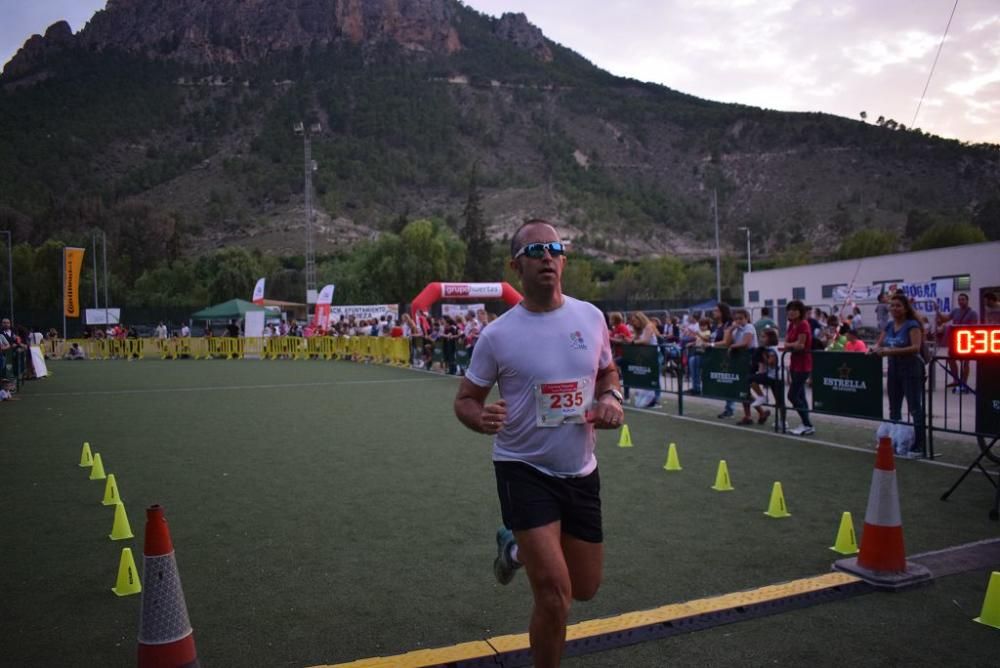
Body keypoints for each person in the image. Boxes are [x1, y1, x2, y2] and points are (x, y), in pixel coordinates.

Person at [454, 219, 623, 668]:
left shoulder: (591, 317)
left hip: (580, 470)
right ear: (516, 266)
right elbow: (466, 400)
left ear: (564, 259)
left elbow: (608, 372)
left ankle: (514, 548)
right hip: (523, 469)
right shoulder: (498, 335)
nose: (546, 256)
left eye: (554, 248)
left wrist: (611, 398)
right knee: (554, 596)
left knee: (584, 587)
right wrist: (480, 416)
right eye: (535, 251)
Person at [870, 294, 926, 457]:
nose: (894, 309)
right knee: (894, 408)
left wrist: (889, 351)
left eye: (898, 306)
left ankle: (919, 445)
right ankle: (895, 441)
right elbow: (879, 344)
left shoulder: (912, 325)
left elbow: (915, 348)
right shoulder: (888, 325)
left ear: (905, 308)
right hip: (893, 370)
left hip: (911, 370)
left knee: (915, 408)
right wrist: (873, 350)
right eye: (892, 306)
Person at [720, 309, 758, 425]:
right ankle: (755, 413)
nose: (738, 321)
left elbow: (746, 343)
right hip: (740, 360)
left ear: (746, 318)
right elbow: (727, 342)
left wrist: (733, 346)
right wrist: (730, 330)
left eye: (741, 318)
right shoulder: (736, 330)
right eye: (736, 319)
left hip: (750, 359)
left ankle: (750, 414)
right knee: (743, 389)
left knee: (744, 388)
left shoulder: (749, 327)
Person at [937, 292, 978, 393]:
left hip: (966, 339)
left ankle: (963, 383)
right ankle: (956, 380)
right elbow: (945, 319)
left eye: (963, 299)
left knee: (965, 362)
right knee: (951, 359)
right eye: (959, 299)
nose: (960, 301)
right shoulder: (955, 311)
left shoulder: (973, 313)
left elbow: (973, 327)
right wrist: (937, 310)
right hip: (955, 339)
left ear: (967, 300)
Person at [784, 300, 815, 435]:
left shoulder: (803, 324)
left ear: (800, 312)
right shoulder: (791, 325)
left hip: (804, 364)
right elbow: (788, 342)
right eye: (790, 309)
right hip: (794, 363)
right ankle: (805, 423)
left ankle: (808, 424)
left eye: (795, 309)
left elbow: (800, 345)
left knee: (792, 395)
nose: (791, 312)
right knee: (801, 395)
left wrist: (790, 344)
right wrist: (791, 344)